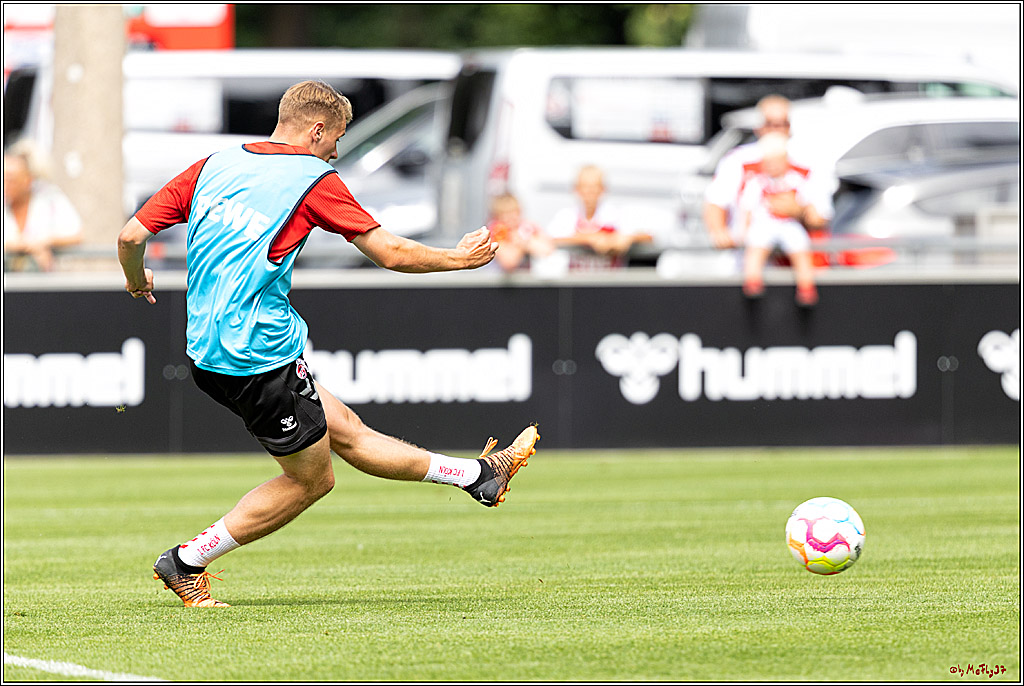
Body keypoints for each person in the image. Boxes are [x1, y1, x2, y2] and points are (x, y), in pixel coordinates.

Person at [117, 80, 540, 608]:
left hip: (209, 349)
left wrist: (137, 281)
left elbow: (131, 236)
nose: (337, 150)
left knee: (350, 433)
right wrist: (460, 260)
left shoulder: (212, 166)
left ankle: (478, 476)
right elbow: (389, 252)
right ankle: (186, 561)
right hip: (256, 359)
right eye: (336, 137)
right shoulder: (312, 178)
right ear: (316, 130)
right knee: (311, 481)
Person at [702, 95, 818, 256]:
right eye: (770, 124)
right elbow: (716, 201)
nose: (776, 130)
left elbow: (821, 215)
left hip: (788, 256)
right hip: (746, 254)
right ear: (760, 127)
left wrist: (798, 211)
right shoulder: (738, 159)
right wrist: (719, 231)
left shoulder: (806, 161)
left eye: (781, 124)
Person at [737, 133, 830, 307]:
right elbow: (747, 207)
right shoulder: (757, 182)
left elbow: (816, 214)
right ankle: (752, 281)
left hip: (788, 224)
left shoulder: (797, 179)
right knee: (756, 245)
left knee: (799, 246)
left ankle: (806, 287)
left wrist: (798, 211)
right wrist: (744, 230)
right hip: (765, 224)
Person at [546, 165, 652, 271]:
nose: (589, 192)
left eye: (594, 187)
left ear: (603, 189)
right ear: (576, 189)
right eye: (585, 186)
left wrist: (625, 239)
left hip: (610, 282)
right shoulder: (567, 216)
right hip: (576, 283)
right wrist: (589, 239)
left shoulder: (614, 215)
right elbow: (550, 239)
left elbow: (648, 236)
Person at [4, 141, 83, 272]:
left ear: (28, 179)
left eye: (10, 179)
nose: (5, 184)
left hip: (44, 282)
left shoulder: (50, 199)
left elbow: (76, 234)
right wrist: (21, 245)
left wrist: (44, 242)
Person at [486, 193, 555, 273]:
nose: (511, 217)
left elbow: (547, 250)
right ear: (497, 216)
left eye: (514, 212)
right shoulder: (495, 232)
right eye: (505, 214)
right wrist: (524, 246)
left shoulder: (528, 227)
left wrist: (523, 243)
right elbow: (508, 262)